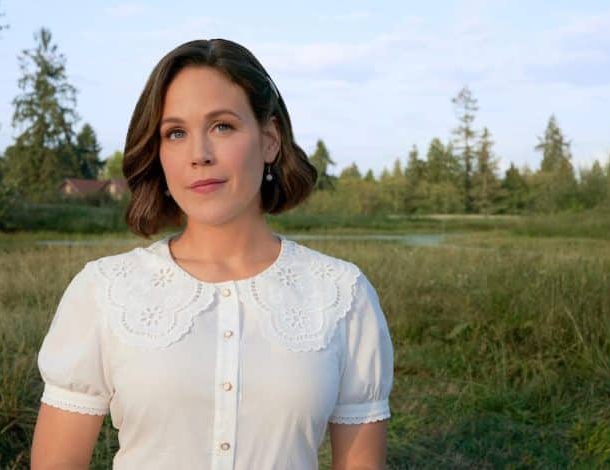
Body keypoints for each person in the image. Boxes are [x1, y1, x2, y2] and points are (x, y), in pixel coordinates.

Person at [30, 38, 394, 470]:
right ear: (159, 152)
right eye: (176, 133)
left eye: (222, 126)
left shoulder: (342, 293)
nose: (199, 155)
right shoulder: (103, 290)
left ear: (270, 139)